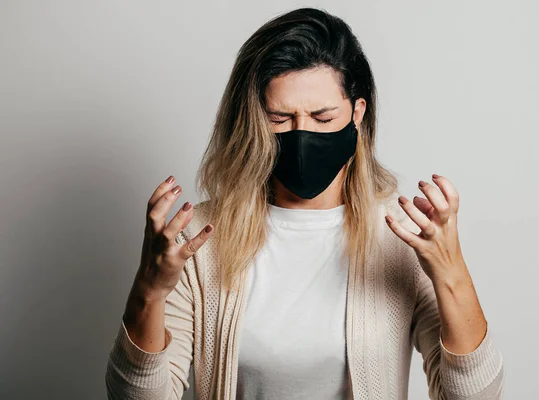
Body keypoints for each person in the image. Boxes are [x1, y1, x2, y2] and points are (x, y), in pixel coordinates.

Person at [105, 7, 504, 400]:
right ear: (254, 120)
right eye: (279, 118)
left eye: (323, 117)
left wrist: (451, 271)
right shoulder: (198, 240)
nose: (302, 135)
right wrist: (150, 291)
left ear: (357, 114)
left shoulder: (401, 237)